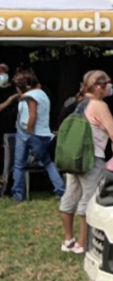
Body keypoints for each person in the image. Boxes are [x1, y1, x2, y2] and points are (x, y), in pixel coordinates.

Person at [59, 70, 113, 254]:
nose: (109, 87)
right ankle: (82, 243)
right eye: (107, 83)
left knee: (70, 197)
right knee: (89, 199)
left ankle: (67, 239)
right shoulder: (99, 105)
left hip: (75, 157)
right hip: (91, 158)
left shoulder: (78, 103)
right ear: (98, 86)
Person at [10, 67, 65, 201]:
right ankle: (61, 191)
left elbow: (32, 115)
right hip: (43, 134)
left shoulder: (30, 97)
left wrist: (28, 130)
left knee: (19, 165)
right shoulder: (42, 94)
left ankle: (17, 195)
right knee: (47, 163)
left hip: (29, 133)